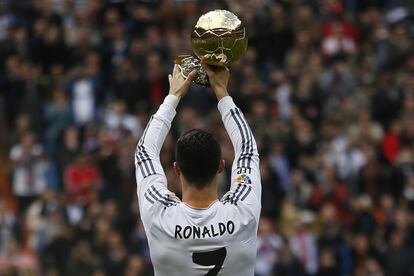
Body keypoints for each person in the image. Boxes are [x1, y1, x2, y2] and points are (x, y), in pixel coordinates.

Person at [135, 61, 261, 275]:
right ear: (221, 167)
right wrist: (222, 92)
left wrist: (172, 97)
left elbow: (145, 152)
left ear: (176, 169)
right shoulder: (243, 211)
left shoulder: (160, 215)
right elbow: (247, 151)